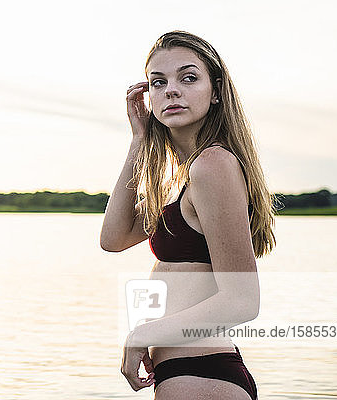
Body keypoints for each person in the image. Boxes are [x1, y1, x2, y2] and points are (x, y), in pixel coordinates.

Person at [100, 31, 277, 400]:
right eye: (158, 82)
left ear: (215, 91)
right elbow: (113, 239)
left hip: (200, 373)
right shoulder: (184, 175)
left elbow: (243, 300)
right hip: (189, 374)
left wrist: (141, 336)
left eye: (188, 77)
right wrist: (138, 139)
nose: (171, 90)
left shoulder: (212, 164)